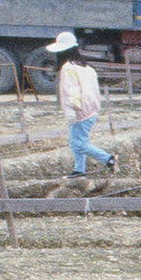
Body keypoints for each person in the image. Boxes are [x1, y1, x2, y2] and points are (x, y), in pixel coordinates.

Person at [52, 31, 114, 176]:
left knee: (78, 144)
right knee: (76, 140)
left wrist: (71, 110)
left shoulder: (68, 68)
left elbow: (72, 90)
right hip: (91, 109)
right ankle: (79, 169)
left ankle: (108, 159)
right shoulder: (86, 67)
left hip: (80, 111)